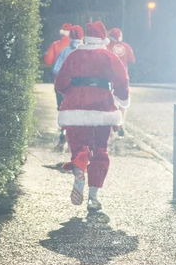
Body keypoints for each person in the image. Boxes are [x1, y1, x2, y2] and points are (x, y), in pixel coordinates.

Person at [55, 21, 130, 211]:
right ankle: (93, 198)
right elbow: (122, 81)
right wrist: (123, 100)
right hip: (102, 108)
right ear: (103, 39)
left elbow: (60, 83)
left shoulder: (73, 56)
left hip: (74, 109)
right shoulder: (109, 56)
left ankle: (79, 166)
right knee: (100, 150)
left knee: (79, 145)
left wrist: (71, 91)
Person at [52, 25, 84, 145]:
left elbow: (56, 70)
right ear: (83, 37)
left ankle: (64, 131)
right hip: (81, 87)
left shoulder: (64, 51)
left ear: (70, 37)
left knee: (63, 108)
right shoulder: (86, 51)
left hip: (66, 87)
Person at [107, 27, 135, 137]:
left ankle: (111, 125)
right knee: (124, 102)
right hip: (123, 78)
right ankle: (121, 124)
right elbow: (132, 61)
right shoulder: (127, 46)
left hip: (110, 78)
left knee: (111, 102)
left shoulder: (107, 46)